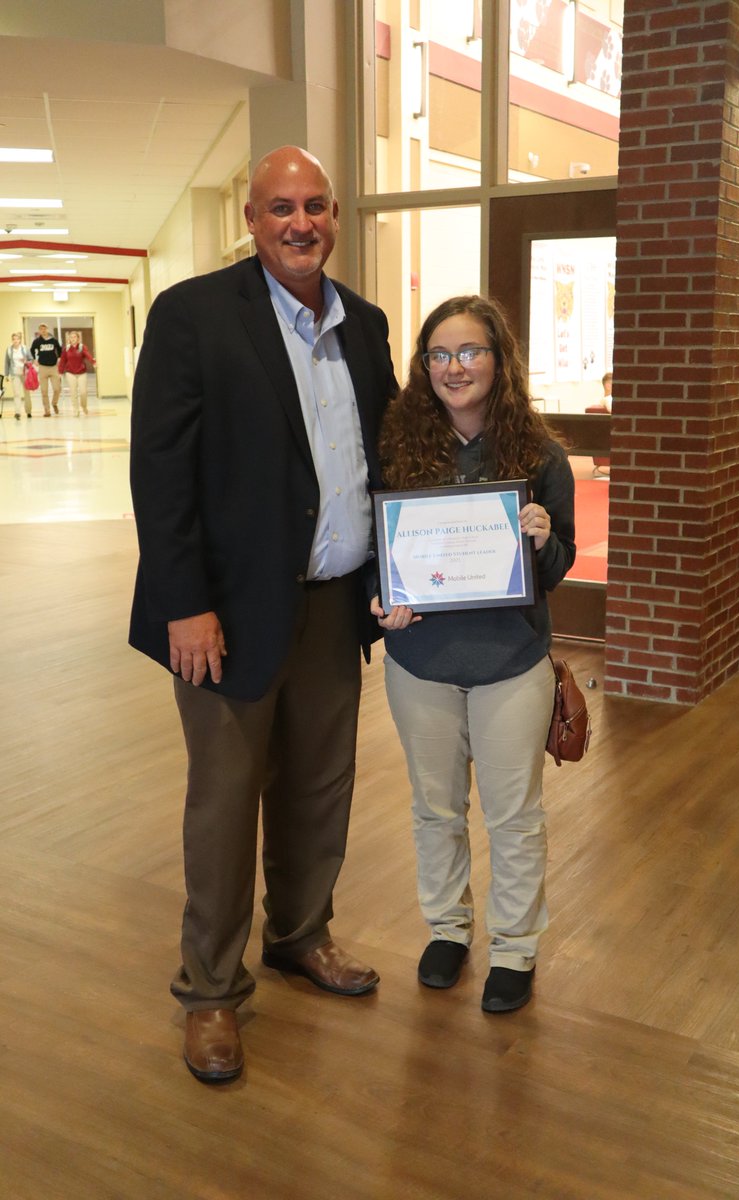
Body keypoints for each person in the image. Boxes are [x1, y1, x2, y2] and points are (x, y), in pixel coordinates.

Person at [129, 145, 396, 1084]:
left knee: (319, 784)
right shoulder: (194, 315)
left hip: (334, 601)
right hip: (227, 615)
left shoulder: (365, 325)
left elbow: (384, 456)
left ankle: (300, 934)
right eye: (281, 207)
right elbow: (160, 472)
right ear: (251, 220)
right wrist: (185, 604)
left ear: (336, 216)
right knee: (225, 799)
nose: (300, 223)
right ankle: (209, 990)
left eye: (316, 205)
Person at [371, 295, 575, 1014]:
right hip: (419, 663)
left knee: (514, 816)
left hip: (510, 665)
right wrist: (381, 599)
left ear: (499, 360)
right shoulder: (397, 449)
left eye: (469, 352)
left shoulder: (540, 457)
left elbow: (558, 568)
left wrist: (544, 539)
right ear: (423, 366)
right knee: (435, 810)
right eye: (439, 354)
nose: (454, 367)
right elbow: (377, 552)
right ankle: (448, 930)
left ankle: (515, 946)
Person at [57, 331, 95, 415]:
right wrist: (60, 372)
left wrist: (93, 362)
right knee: (73, 392)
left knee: (83, 392)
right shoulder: (66, 349)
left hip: (82, 373)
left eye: (75, 337)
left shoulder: (81, 347)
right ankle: (75, 409)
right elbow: (62, 361)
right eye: (71, 337)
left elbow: (88, 355)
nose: (73, 339)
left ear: (78, 338)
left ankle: (84, 406)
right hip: (70, 373)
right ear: (69, 339)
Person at [31, 323, 63, 416]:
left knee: (57, 389)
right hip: (42, 368)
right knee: (44, 391)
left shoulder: (53, 340)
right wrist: (34, 359)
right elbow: (32, 350)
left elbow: (59, 349)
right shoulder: (37, 341)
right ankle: (47, 410)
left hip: (53, 367)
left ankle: (54, 403)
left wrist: (59, 358)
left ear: (47, 329)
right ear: (39, 331)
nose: (43, 330)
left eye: (44, 328)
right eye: (41, 329)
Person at [4, 332, 34, 420]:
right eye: (13, 339)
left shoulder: (25, 348)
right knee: (16, 393)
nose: (15, 341)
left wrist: (26, 361)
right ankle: (17, 412)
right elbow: (7, 363)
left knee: (26, 393)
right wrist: (6, 375)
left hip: (25, 373)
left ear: (20, 340)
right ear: (12, 340)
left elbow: (31, 359)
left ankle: (28, 411)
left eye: (17, 339)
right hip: (15, 374)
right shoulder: (9, 350)